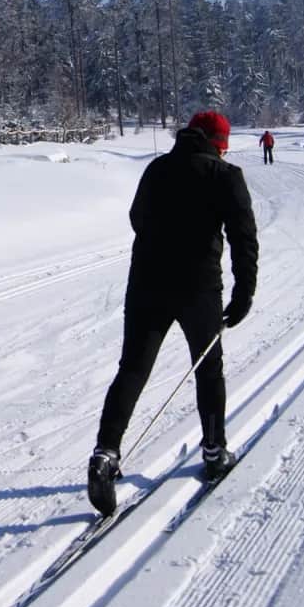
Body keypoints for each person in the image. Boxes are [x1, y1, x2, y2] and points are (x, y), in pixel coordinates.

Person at [88, 110, 259, 516]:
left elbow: (136, 219)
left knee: (132, 369)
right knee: (208, 369)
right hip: (199, 289)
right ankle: (214, 452)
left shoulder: (157, 169)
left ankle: (105, 454)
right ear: (219, 142)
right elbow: (244, 238)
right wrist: (244, 294)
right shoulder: (226, 176)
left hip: (147, 284)